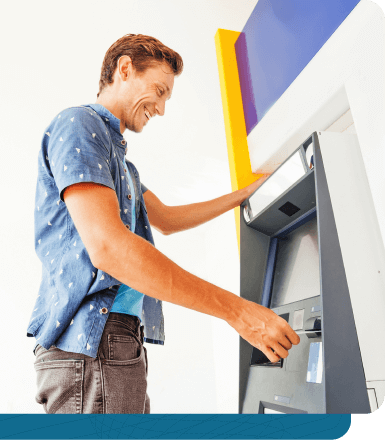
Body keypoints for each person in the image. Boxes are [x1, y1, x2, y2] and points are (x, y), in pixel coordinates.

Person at [28, 34, 300, 415]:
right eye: (159, 90)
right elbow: (108, 248)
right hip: (92, 345)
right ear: (125, 69)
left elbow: (168, 219)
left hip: (116, 342)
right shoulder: (79, 124)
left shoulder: (124, 168)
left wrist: (245, 195)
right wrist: (238, 312)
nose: (161, 107)